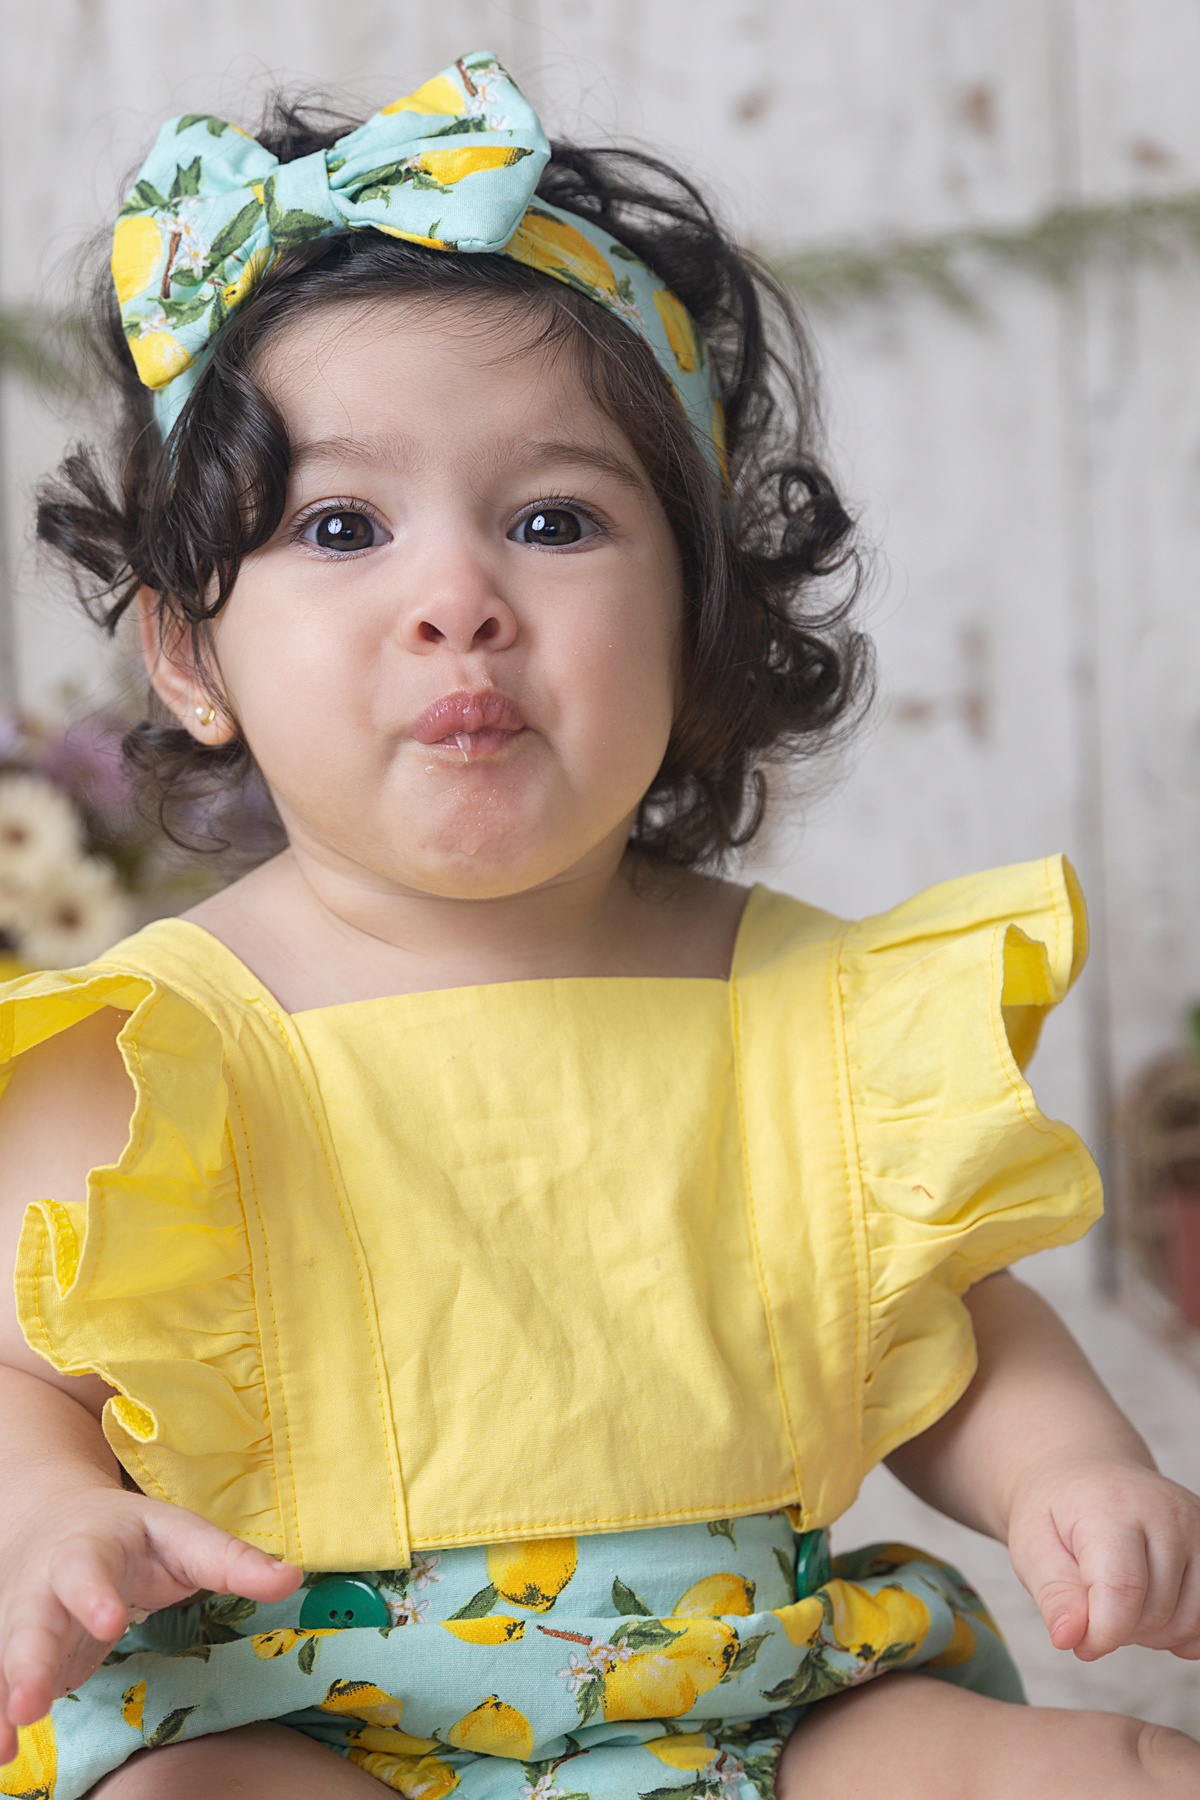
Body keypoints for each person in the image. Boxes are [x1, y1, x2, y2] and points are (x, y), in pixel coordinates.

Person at [0, 51, 1197, 1800]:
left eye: (553, 521)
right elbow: (28, 1369)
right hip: (294, 1712)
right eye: (343, 527)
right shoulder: (161, 1041)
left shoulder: (802, 1005)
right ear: (189, 654)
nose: (458, 604)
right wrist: (46, 1513)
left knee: (1101, 1767)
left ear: (699, 613)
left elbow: (953, 1336)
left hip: (764, 1696)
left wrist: (1072, 1475)